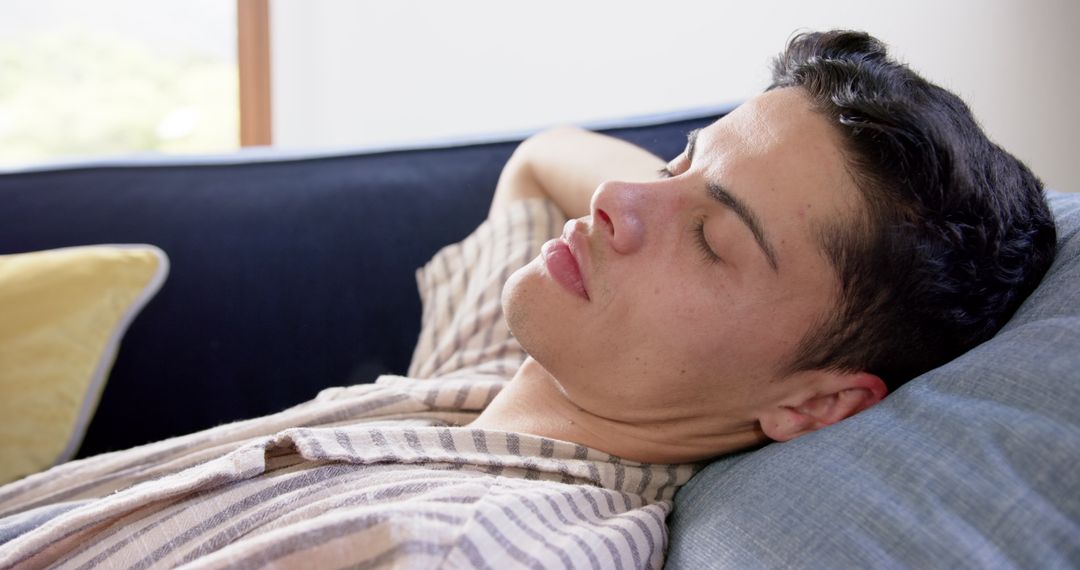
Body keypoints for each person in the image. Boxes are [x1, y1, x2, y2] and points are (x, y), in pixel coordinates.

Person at [0, 29, 1055, 569]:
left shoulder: (502, 542)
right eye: (679, 158)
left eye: (712, 238)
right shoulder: (494, 386)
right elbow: (541, 160)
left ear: (820, 406)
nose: (623, 198)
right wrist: (694, 197)